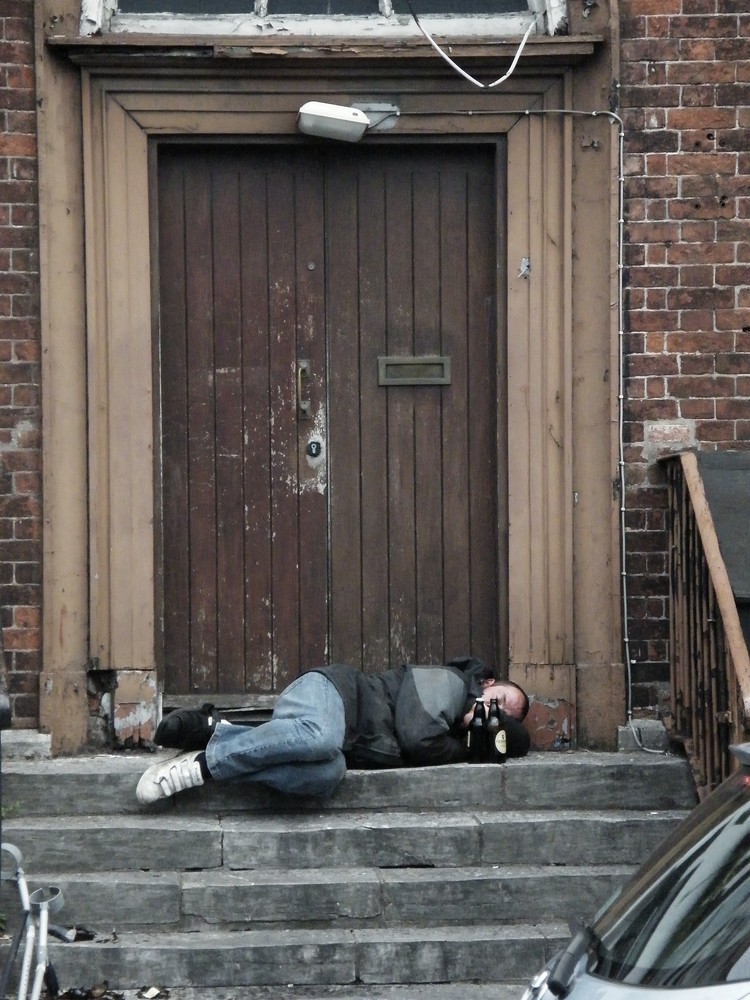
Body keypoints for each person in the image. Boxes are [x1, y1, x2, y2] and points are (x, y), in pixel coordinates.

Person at [136, 657, 531, 805]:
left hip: (343, 741)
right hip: (331, 692)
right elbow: (415, 738)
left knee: (327, 773)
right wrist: (468, 745)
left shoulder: (455, 730)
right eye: (497, 698)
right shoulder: (450, 683)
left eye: (503, 716)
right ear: (487, 682)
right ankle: (202, 766)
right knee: (321, 738)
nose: (492, 710)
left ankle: (216, 736)